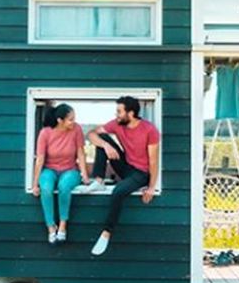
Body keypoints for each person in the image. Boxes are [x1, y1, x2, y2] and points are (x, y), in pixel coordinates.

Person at [86, 96, 160, 255]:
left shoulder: (149, 130)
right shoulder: (117, 124)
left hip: (141, 173)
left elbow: (153, 161)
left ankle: (106, 233)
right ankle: (99, 180)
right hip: (126, 166)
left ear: (131, 113)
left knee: (118, 191)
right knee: (102, 138)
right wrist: (105, 145)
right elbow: (91, 134)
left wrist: (152, 186)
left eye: (119, 111)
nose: (116, 114)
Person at [32, 103, 90, 244]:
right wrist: (35, 184)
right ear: (60, 120)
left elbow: (81, 154)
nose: (74, 121)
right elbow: (40, 159)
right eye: (70, 119)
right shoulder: (45, 133)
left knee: (64, 187)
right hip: (49, 169)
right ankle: (51, 226)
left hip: (70, 170)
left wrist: (85, 175)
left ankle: (63, 225)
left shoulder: (76, 129)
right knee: (46, 188)